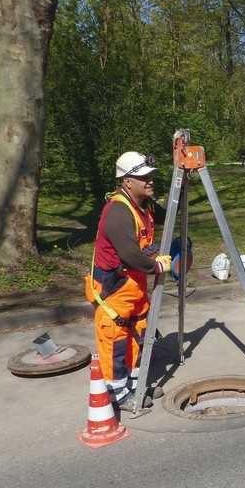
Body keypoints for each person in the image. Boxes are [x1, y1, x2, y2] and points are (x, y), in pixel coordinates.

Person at [85, 151, 171, 411]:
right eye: (143, 177)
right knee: (116, 341)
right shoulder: (118, 213)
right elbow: (130, 254)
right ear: (127, 181)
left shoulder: (143, 205)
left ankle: (135, 383)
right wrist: (155, 266)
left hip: (132, 286)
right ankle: (117, 395)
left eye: (151, 176)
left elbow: (169, 215)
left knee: (136, 335)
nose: (150, 181)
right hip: (114, 288)